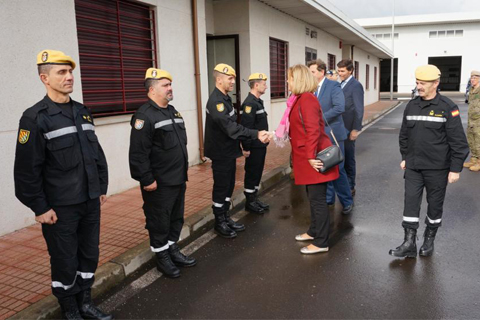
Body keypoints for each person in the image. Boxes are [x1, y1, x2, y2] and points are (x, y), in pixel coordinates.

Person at [14, 50, 111, 320]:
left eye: (71, 72)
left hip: (90, 201)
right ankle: (69, 308)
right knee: (65, 260)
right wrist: (40, 207)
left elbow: (96, 154)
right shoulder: (34, 118)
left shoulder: (82, 111)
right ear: (44, 78)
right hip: (60, 208)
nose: (69, 77)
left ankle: (85, 302)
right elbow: (25, 171)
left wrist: (101, 187)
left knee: (89, 255)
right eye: (61, 72)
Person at [389, 64, 469, 258]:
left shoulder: (448, 108)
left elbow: (458, 141)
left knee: (434, 205)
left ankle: (429, 239)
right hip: (414, 167)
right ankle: (409, 243)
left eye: (423, 83)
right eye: (417, 82)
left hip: (437, 169)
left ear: (436, 83)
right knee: (410, 204)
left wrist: (455, 168)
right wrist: (405, 157)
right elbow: (404, 135)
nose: (419, 86)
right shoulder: (411, 105)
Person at [129, 68, 196, 279]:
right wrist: (147, 179)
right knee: (159, 220)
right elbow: (138, 153)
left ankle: (172, 248)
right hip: (158, 183)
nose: (170, 88)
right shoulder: (143, 116)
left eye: (170, 84)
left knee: (175, 218)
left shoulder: (172, 111)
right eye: (165, 85)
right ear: (152, 89)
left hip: (177, 178)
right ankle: (162, 257)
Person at [276, 64, 339, 254]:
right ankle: (314, 231)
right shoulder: (300, 98)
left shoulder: (307, 100)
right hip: (306, 157)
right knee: (313, 198)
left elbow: (313, 131)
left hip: (313, 158)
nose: (287, 81)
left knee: (318, 200)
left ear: (298, 79)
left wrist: (310, 156)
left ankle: (321, 242)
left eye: (289, 78)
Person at [204, 63, 269, 239]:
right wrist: (255, 134)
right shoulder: (216, 101)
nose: (233, 81)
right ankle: (219, 222)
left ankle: (225, 217)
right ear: (219, 80)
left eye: (233, 78)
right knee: (221, 187)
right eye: (229, 78)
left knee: (229, 186)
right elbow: (230, 127)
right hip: (220, 153)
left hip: (229, 151)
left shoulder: (225, 98)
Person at [307, 59, 353, 214]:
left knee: (338, 169)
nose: (310, 75)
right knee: (324, 167)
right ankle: (328, 199)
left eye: (312, 72)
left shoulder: (333, 85)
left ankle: (347, 201)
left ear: (321, 72)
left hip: (333, 134)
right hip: (318, 136)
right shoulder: (309, 89)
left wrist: (319, 118)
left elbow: (339, 107)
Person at [240, 73, 270, 214]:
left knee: (257, 172)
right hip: (253, 145)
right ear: (256, 85)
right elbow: (247, 128)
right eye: (264, 84)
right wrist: (246, 147)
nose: (266, 86)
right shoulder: (249, 103)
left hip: (261, 145)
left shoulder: (258, 101)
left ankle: (254, 198)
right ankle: (250, 202)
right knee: (252, 173)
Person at [337, 59, 364, 197]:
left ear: (350, 71)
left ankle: (350, 185)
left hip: (348, 128)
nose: (339, 73)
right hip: (339, 128)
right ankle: (342, 184)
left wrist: (355, 129)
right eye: (339, 71)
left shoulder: (355, 86)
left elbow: (359, 109)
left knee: (348, 157)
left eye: (342, 71)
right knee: (340, 157)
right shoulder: (340, 84)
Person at [463, 70, 480, 171]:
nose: (472, 80)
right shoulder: (472, 90)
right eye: (471, 78)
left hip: (479, 120)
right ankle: (473, 159)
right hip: (471, 119)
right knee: (471, 140)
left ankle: (479, 162)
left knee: (478, 141)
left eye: (475, 78)